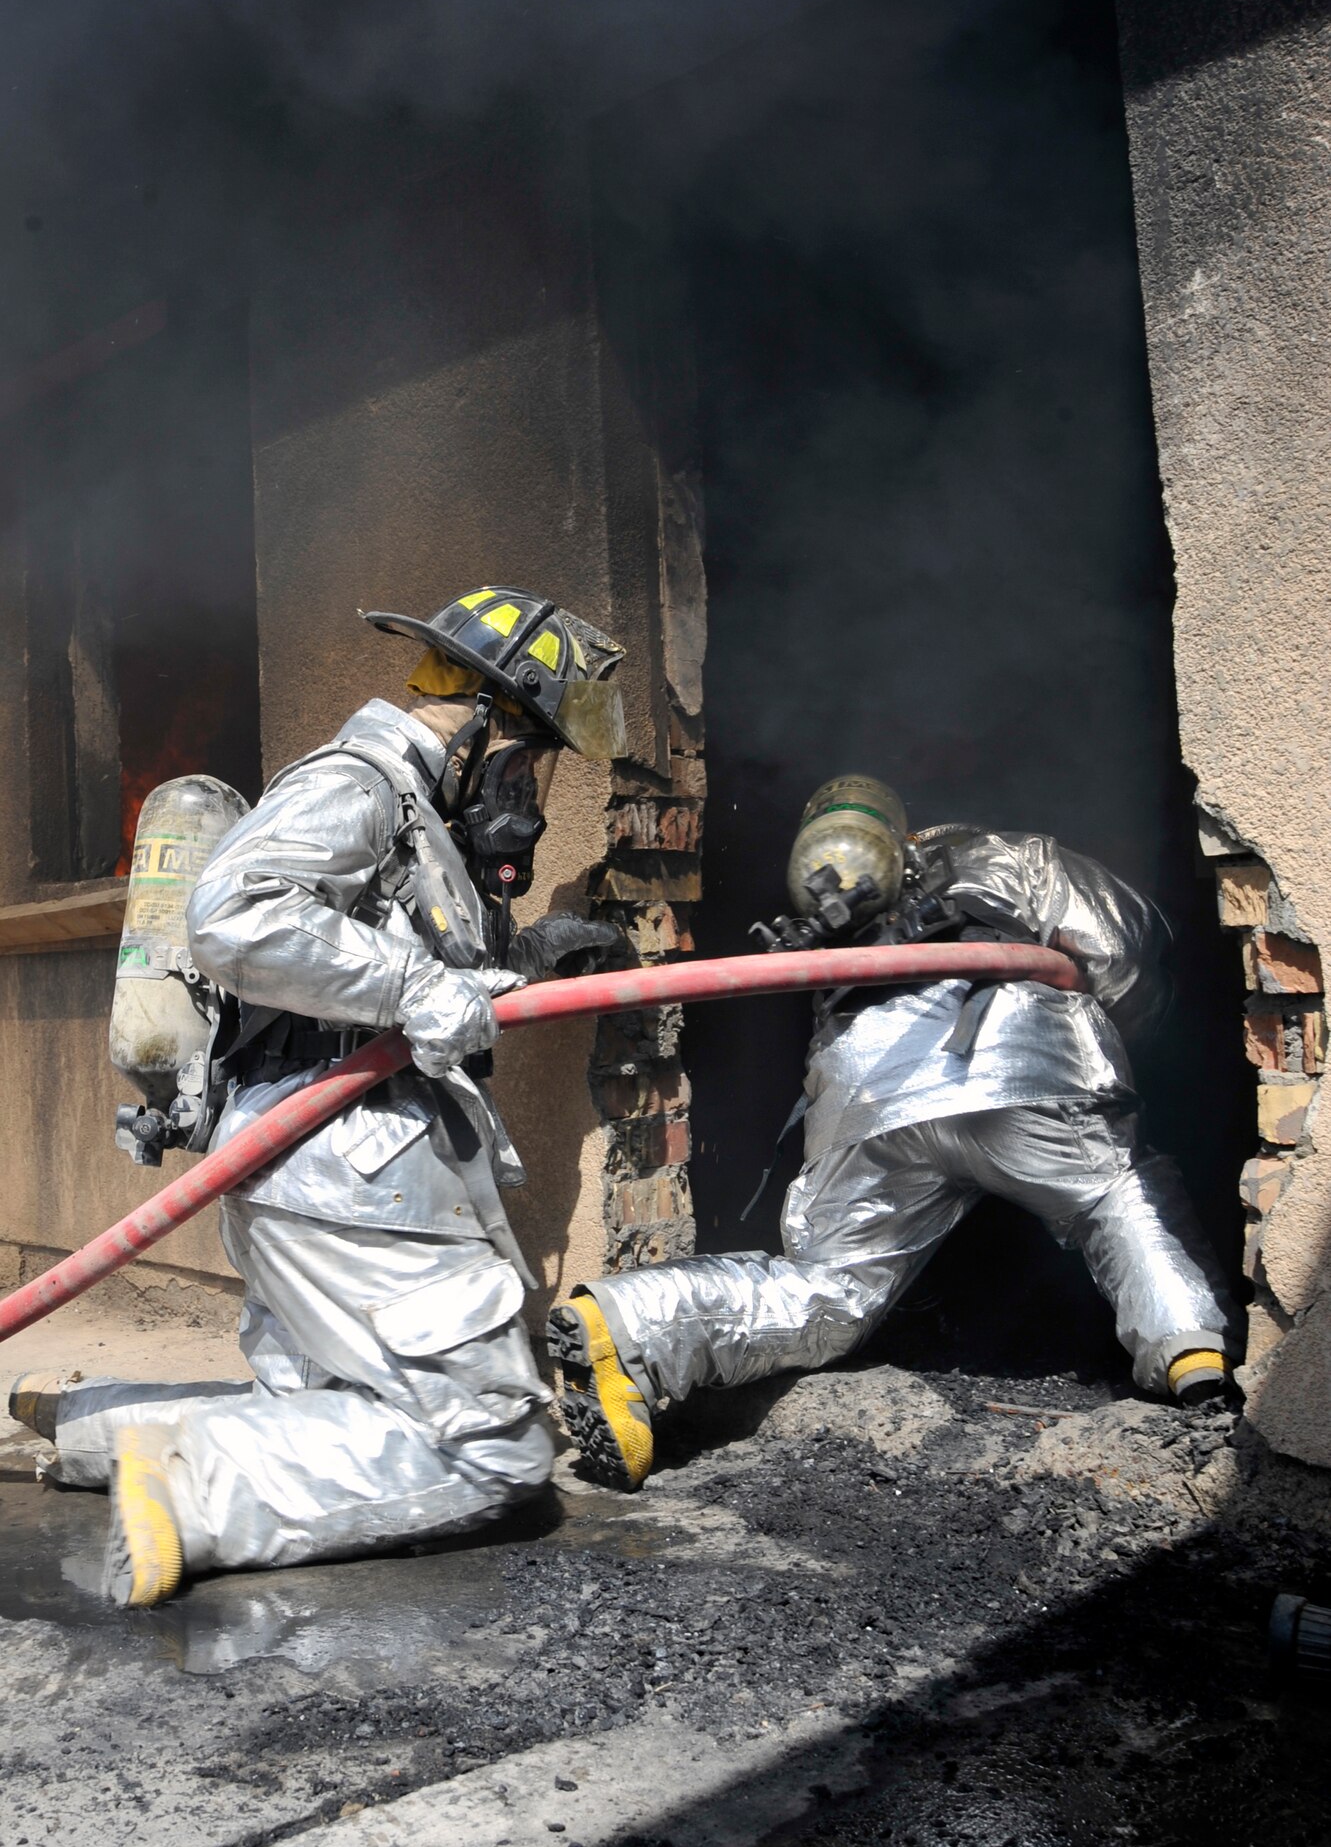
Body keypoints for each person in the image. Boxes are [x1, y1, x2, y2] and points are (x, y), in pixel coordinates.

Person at [10, 586, 627, 1606]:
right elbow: (239, 916)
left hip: (313, 1171)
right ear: (483, 721)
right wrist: (423, 985)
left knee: (332, 1411)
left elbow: (374, 958)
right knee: (495, 1447)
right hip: (346, 1165)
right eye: (533, 750)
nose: (533, 782)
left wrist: (521, 956)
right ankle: (191, 1485)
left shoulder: (421, 818)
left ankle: (93, 1427)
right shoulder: (362, 782)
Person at [548, 797, 1244, 1493]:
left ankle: (627, 1326)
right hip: (1019, 1059)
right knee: (1116, 1192)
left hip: (868, 1097)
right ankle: (1190, 1350)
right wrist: (1129, 1036)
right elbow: (1116, 952)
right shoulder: (1013, 854)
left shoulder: (839, 929)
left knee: (832, 1288)